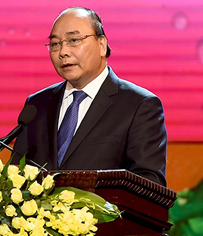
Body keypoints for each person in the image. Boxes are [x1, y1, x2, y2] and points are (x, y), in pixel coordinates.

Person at [12, 7, 167, 186]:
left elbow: (149, 183)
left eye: (74, 40)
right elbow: (17, 173)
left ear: (102, 45)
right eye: (55, 44)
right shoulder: (37, 105)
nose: (63, 52)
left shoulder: (139, 105)